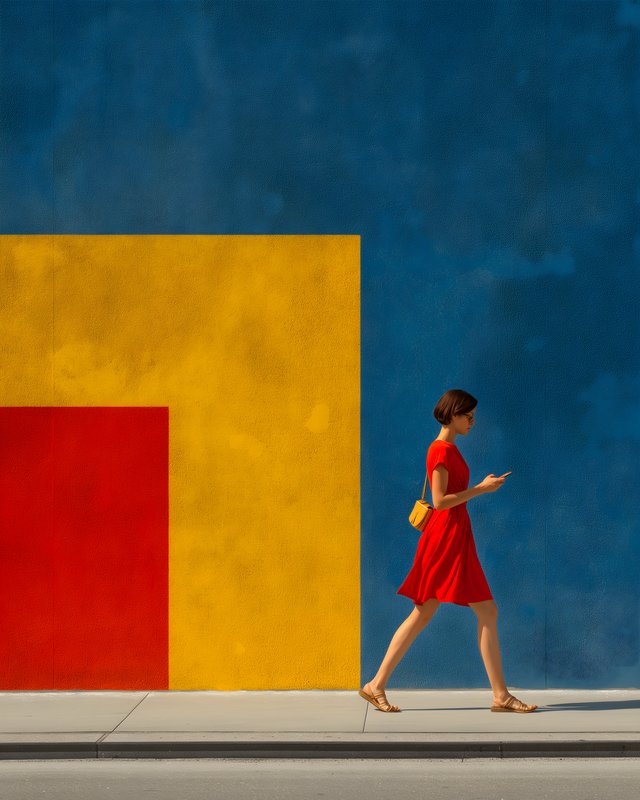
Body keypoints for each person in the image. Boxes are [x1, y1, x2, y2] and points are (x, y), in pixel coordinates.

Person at [359, 389, 537, 714]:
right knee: (426, 611)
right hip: (445, 539)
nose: (472, 422)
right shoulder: (439, 450)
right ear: (453, 414)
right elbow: (440, 502)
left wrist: (482, 487)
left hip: (457, 538)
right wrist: (481, 489)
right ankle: (376, 684)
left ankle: (500, 695)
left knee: (478, 611)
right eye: (468, 416)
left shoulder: (449, 450)